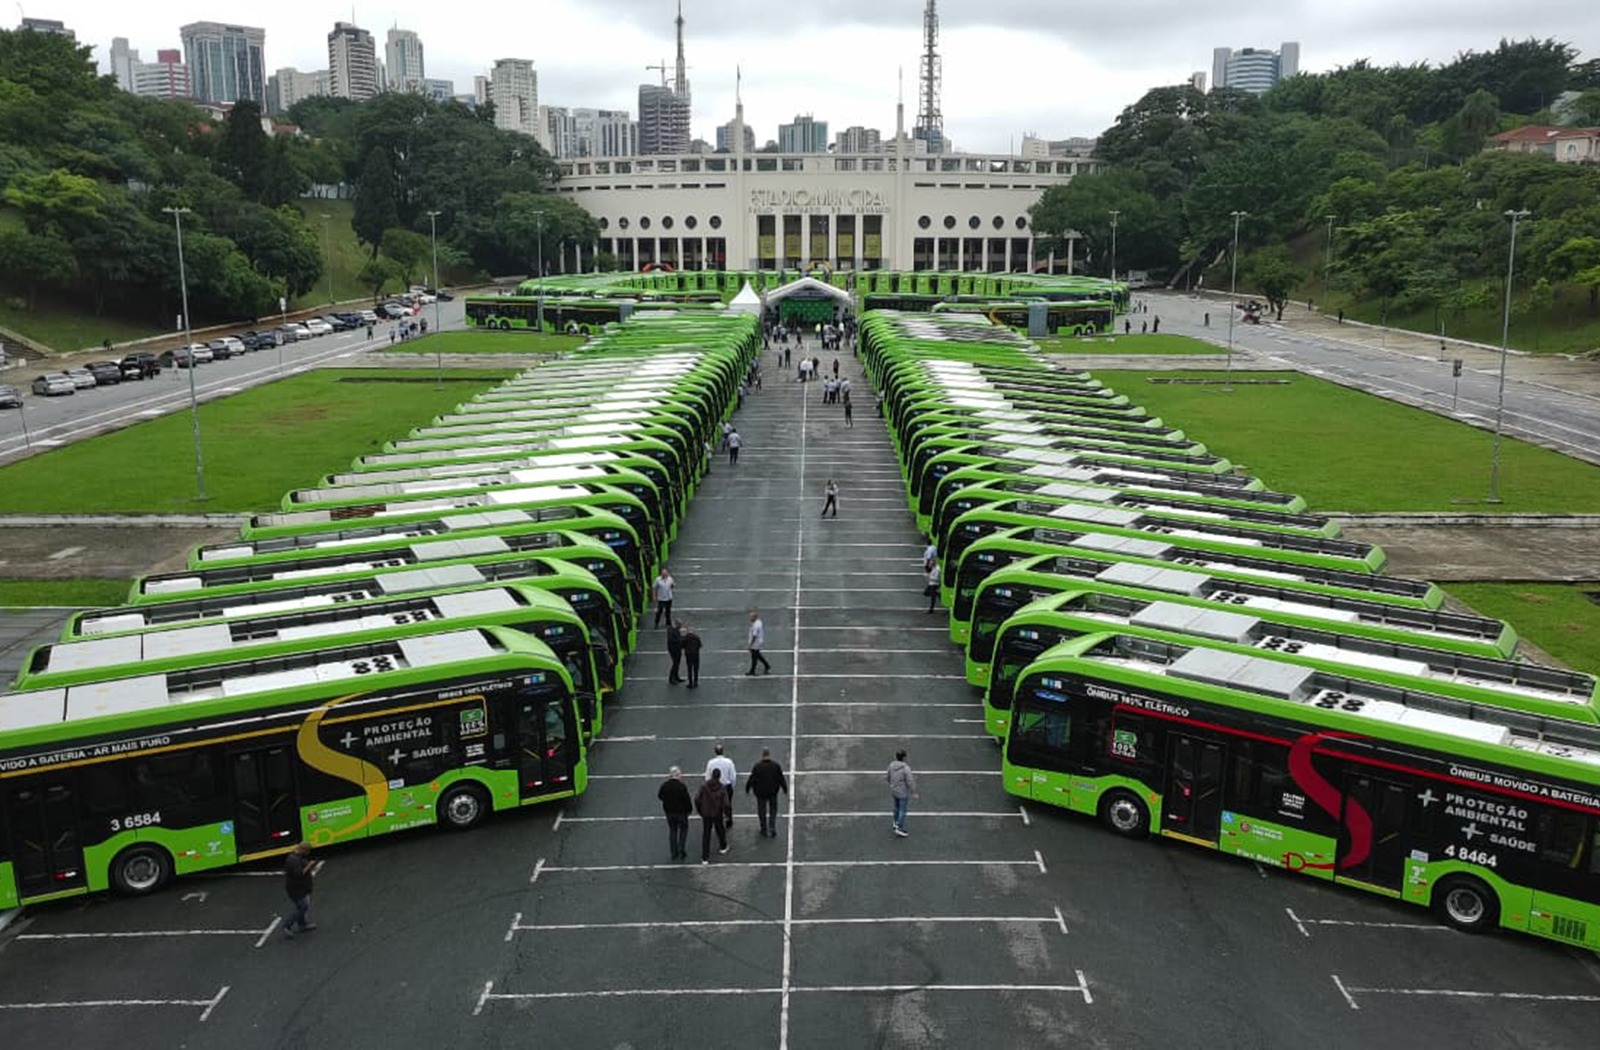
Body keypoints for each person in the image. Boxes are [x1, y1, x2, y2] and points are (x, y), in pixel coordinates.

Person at [746, 747, 789, 838]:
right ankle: (772, 826)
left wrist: (748, 788)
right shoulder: (775, 766)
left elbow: (751, 779)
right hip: (773, 792)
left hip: (760, 793)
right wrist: (785, 789)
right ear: (769, 755)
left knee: (761, 810)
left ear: (762, 755)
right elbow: (781, 778)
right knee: (773, 809)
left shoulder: (757, 766)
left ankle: (763, 829)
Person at [282, 841, 320, 937]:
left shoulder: (298, 857)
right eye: (307, 851)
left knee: (302, 906)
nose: (308, 854)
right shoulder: (293, 860)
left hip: (302, 887)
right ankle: (287, 925)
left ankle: (302, 925)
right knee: (303, 907)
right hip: (296, 889)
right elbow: (298, 874)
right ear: (303, 850)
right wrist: (309, 865)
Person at [658, 767, 693, 861]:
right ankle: (681, 848)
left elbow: (660, 796)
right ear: (677, 775)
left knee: (673, 830)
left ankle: (674, 852)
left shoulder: (665, 786)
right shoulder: (681, 786)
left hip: (669, 812)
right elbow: (687, 800)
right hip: (681, 813)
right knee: (683, 830)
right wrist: (689, 809)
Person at [695, 768, 730, 863]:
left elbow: (697, 799)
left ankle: (705, 857)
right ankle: (723, 847)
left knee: (706, 834)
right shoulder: (722, 787)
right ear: (719, 776)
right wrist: (727, 814)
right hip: (717, 813)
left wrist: (700, 810)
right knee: (720, 830)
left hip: (706, 813)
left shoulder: (704, 786)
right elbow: (726, 803)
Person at [887, 750, 918, 837]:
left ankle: (895, 822)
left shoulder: (891, 765)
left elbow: (888, 776)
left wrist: (891, 784)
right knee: (902, 810)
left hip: (894, 790)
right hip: (902, 792)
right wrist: (913, 791)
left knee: (896, 807)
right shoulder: (906, 768)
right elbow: (910, 781)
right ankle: (899, 827)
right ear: (904, 757)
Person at [706, 744, 737, 828]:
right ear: (723, 751)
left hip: (715, 787)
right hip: (727, 786)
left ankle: (718, 821)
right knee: (728, 804)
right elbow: (733, 776)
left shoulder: (711, 762)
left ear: (715, 752)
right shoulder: (729, 762)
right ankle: (729, 820)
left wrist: (709, 787)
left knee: (716, 804)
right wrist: (732, 786)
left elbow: (707, 776)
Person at [746, 610, 771, 675]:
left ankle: (752, 671)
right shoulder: (758, 622)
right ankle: (767, 665)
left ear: (754, 617)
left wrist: (750, 645)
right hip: (758, 641)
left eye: (751, 617)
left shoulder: (756, 626)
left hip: (755, 643)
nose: (749, 618)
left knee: (754, 657)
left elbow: (754, 636)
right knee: (758, 656)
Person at [681, 622, 703, 688]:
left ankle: (690, 682)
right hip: (696, 654)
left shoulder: (685, 638)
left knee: (689, 668)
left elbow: (682, 645)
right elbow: (700, 645)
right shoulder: (696, 637)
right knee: (696, 668)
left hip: (688, 654)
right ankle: (695, 682)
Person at [667, 619, 685, 684]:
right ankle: (671, 678)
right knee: (675, 663)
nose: (681, 626)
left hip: (677, 649)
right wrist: (681, 640)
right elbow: (672, 640)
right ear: (677, 624)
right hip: (674, 649)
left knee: (677, 663)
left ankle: (676, 677)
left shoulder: (673, 630)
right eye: (680, 625)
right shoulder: (672, 631)